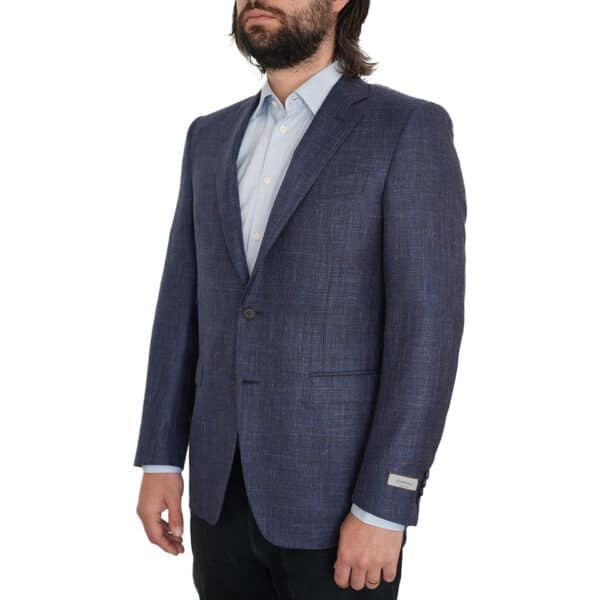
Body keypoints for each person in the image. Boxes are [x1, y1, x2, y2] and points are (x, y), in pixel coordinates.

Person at [133, 1, 466, 597]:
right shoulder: (208, 137)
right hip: (218, 496)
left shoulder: (406, 129)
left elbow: (426, 336)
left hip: (340, 504)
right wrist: (160, 457)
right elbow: (181, 307)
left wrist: (386, 504)